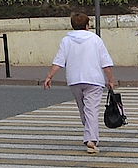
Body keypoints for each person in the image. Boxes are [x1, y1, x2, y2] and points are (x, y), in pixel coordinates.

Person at [42, 11, 117, 154]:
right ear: (87, 25)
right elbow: (105, 63)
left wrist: (49, 76)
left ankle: (89, 134)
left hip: (74, 80)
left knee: (84, 110)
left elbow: (59, 61)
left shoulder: (66, 40)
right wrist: (111, 80)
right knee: (91, 110)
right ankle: (91, 140)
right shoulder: (95, 39)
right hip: (94, 80)